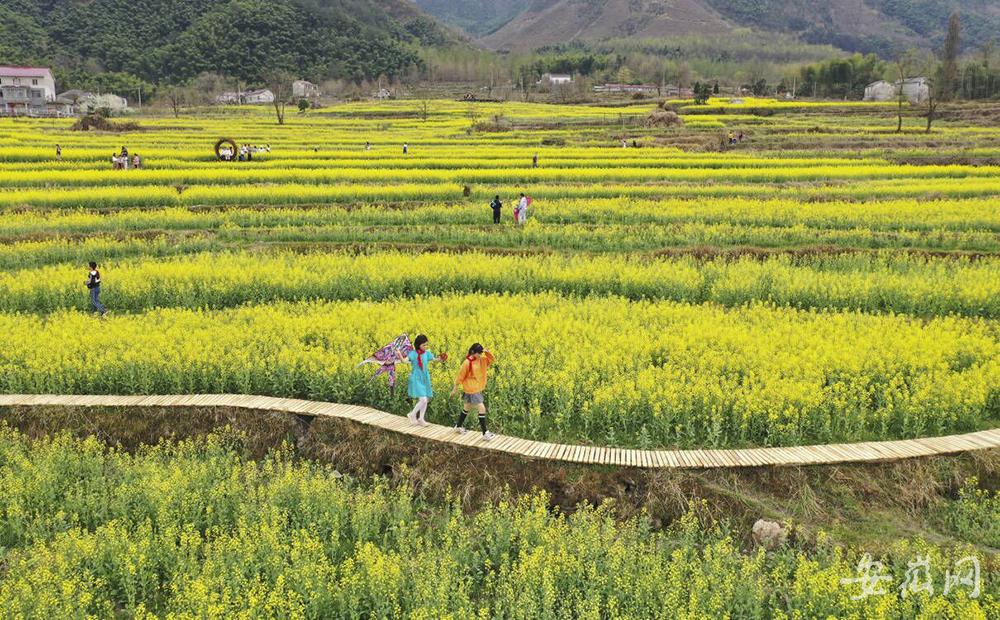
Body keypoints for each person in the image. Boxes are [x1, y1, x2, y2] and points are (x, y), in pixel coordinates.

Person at [451, 343, 495, 440]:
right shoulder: (467, 362)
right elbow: (460, 376)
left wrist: (488, 353)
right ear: (472, 352)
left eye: (481, 353)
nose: (480, 355)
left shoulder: (482, 359)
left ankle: (458, 426)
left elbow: (491, 360)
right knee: (482, 408)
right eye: (478, 353)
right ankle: (485, 433)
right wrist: (455, 387)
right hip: (472, 389)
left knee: (467, 407)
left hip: (475, 388)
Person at [400, 334, 446, 426]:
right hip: (416, 378)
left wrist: (440, 359)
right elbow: (404, 361)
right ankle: (412, 414)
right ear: (418, 345)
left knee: (426, 398)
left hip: (425, 378)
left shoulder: (427, 353)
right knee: (423, 400)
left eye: (426, 345)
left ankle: (421, 418)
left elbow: (434, 359)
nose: (425, 346)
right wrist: (399, 354)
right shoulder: (413, 354)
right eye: (423, 345)